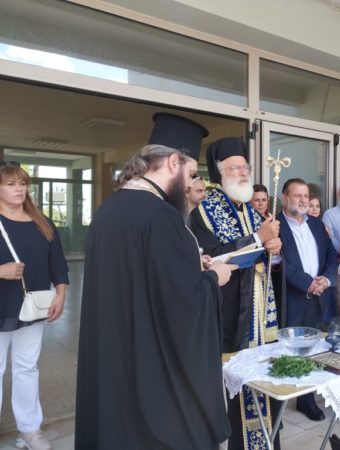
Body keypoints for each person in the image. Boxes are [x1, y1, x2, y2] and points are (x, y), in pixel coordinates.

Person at [76, 113, 236, 450]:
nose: (191, 184)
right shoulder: (161, 215)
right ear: (173, 162)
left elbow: (145, 274)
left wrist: (191, 263)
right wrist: (213, 277)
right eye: (190, 174)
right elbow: (181, 302)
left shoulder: (109, 208)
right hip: (149, 373)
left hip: (114, 355)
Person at [189, 137, 282, 450]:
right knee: (232, 385)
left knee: (262, 379)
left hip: (259, 313)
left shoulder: (253, 212)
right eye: (235, 168)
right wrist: (258, 238)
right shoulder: (204, 211)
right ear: (219, 174)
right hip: (229, 315)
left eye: (245, 167)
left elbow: (264, 259)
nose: (243, 173)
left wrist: (273, 249)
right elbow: (212, 258)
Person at [0, 162, 68, 450]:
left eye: (23, 183)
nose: (19, 189)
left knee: (27, 368)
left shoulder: (42, 221)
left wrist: (60, 294)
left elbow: (58, 263)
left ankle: (29, 430)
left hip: (32, 307)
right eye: (11, 184)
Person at [277, 178, 338, 422]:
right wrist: (306, 282)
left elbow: (332, 255)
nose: (303, 200)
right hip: (290, 299)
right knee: (284, 352)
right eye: (297, 195)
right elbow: (279, 262)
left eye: (306, 195)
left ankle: (306, 400)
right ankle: (277, 406)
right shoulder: (275, 226)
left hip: (317, 297)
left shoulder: (316, 224)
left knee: (311, 350)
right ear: (285, 198)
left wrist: (327, 279)